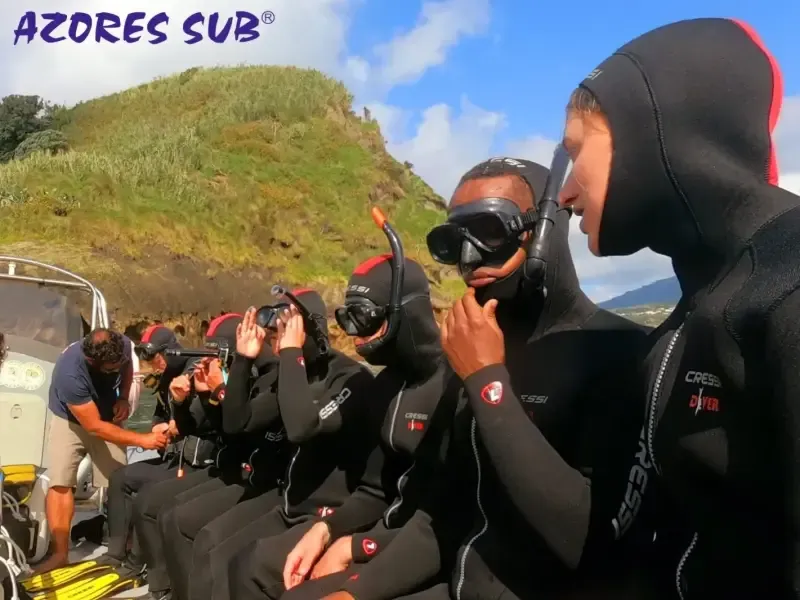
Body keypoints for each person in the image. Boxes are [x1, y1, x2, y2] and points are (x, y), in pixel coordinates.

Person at [308, 157, 653, 600]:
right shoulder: (471, 355)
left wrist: (489, 383)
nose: (469, 259)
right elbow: (441, 510)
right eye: (451, 242)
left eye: (490, 232)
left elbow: (590, 544)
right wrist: (358, 592)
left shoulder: (620, 352)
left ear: (544, 230)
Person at [558, 17, 800, 597]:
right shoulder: (694, 308)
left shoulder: (786, 291)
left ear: (654, 133)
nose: (564, 193)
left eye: (576, 151)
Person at [243, 253, 453, 600]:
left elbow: (444, 519)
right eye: (346, 318)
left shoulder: (454, 386)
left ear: (405, 310)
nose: (354, 333)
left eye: (364, 317)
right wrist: (327, 531)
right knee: (254, 564)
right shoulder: (386, 386)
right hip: (387, 532)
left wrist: (357, 546)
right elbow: (375, 490)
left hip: (430, 549)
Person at [161, 289, 376, 600]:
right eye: (274, 334)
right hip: (290, 501)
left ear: (309, 330)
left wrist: (291, 354)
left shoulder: (348, 378)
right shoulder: (288, 373)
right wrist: (243, 360)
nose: (276, 343)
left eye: (284, 332)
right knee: (214, 547)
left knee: (243, 565)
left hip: (326, 512)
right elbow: (238, 422)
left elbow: (302, 427)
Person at [39, 328, 168, 573]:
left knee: (122, 481)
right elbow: (94, 427)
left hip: (107, 412)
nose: (117, 371)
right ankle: (60, 554)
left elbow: (129, 366)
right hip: (71, 419)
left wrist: (122, 397)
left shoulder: (123, 345)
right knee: (60, 482)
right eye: (111, 369)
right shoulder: (70, 373)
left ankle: (127, 548)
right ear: (92, 362)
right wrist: (144, 440)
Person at [101, 325, 222, 573]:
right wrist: (157, 427)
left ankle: (139, 562)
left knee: (149, 494)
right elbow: (158, 415)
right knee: (119, 478)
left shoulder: (199, 373)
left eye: (154, 357)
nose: (152, 364)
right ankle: (115, 552)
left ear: (170, 351)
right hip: (172, 458)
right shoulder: (165, 376)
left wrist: (178, 418)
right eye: (146, 358)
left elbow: (202, 420)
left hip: (196, 465)